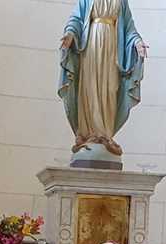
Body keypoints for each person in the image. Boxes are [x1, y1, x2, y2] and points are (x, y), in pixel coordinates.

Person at [59, 0, 147, 157]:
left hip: (113, 49)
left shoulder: (121, 1)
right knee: (90, 86)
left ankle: (105, 134)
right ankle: (87, 133)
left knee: (110, 88)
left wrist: (137, 42)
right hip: (91, 46)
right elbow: (77, 19)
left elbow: (129, 27)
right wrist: (70, 34)